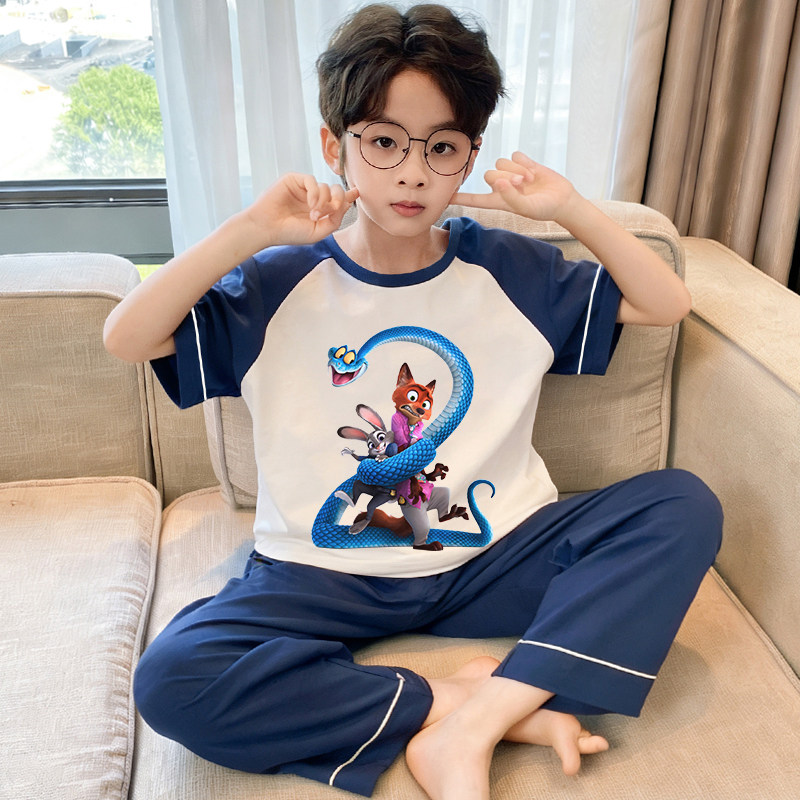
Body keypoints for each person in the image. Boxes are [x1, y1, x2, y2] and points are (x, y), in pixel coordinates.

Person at [103, 4, 723, 799]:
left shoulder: (511, 271)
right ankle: (464, 704)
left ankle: (477, 723)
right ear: (335, 147)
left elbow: (666, 302)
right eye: (384, 141)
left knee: (680, 505)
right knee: (173, 679)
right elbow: (128, 337)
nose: (412, 173)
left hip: (491, 559)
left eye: (442, 147)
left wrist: (568, 208)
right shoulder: (276, 282)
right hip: (318, 573)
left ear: (469, 158)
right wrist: (250, 229)